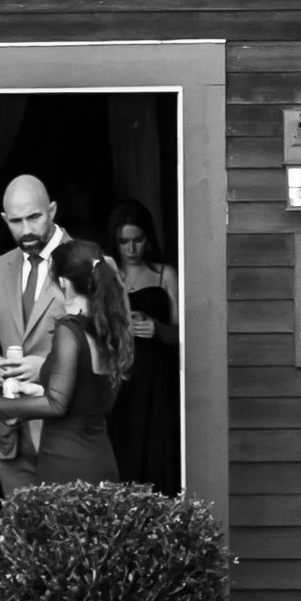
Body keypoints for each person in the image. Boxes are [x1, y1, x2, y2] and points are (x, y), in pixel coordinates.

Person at [0, 239, 133, 485]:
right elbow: (86, 395)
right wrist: (32, 389)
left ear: (63, 283)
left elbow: (56, 405)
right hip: (100, 458)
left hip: (67, 463)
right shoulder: (108, 329)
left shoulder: (70, 329)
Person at [0, 173, 62, 496]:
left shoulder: (90, 262)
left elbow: (111, 354)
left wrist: (46, 368)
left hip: (66, 437)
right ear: (3, 219)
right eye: (16, 221)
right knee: (20, 542)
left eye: (34, 217)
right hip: (10, 438)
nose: (26, 230)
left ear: (52, 209)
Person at [104, 198, 182, 492]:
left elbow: (188, 336)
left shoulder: (165, 275)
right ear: (115, 241)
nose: (132, 249)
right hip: (120, 380)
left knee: (157, 453)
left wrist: (158, 328)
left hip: (158, 381)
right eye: (125, 241)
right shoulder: (108, 277)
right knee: (122, 454)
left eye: (139, 240)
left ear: (149, 239)